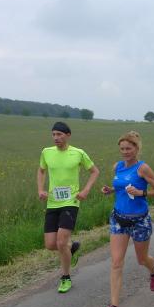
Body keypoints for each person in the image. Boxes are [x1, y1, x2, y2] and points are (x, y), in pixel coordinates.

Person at [99, 131, 154, 307]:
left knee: (142, 259)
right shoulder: (118, 166)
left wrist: (141, 192)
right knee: (116, 262)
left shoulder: (143, 168)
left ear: (136, 149)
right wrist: (111, 190)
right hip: (118, 219)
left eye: (128, 148)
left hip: (139, 221)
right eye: (122, 149)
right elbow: (122, 186)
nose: (125, 152)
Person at [37, 121, 100, 293]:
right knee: (51, 244)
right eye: (53, 134)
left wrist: (85, 190)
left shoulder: (78, 153)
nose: (56, 137)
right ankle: (72, 249)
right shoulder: (46, 152)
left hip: (71, 202)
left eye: (59, 134)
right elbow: (41, 170)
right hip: (52, 202)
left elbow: (95, 171)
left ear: (68, 135)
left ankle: (65, 277)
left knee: (61, 241)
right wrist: (40, 189)